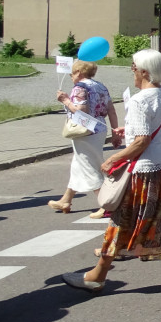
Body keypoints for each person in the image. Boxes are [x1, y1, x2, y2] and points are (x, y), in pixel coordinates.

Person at [61, 49, 161, 294]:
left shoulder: (140, 100)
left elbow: (142, 141)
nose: (132, 70)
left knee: (122, 220)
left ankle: (97, 276)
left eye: (133, 66)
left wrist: (112, 159)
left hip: (147, 171)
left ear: (144, 71)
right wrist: (126, 133)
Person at [51, 59, 119, 217]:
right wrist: (115, 131)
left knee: (90, 166)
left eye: (72, 73)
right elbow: (111, 110)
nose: (71, 77)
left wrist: (66, 100)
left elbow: (82, 111)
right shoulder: (100, 86)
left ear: (79, 73)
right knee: (78, 164)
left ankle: (107, 204)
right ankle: (66, 200)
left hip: (85, 131)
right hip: (100, 128)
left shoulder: (80, 88)